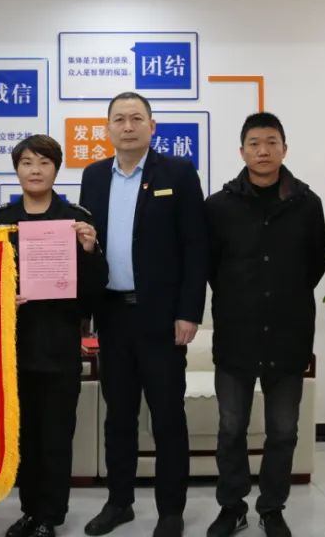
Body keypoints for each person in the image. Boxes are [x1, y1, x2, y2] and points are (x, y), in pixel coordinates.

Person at [78, 91, 209, 537]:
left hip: (162, 318)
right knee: (119, 417)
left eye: (137, 118)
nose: (128, 126)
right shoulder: (95, 176)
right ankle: (120, 503)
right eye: (119, 119)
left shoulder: (177, 173)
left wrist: (189, 312)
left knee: (168, 417)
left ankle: (171, 510)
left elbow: (195, 246)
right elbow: (90, 246)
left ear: (152, 127)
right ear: (108, 128)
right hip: (113, 316)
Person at [204, 112, 325, 537]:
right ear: (241, 151)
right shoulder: (218, 206)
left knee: (283, 430)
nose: (263, 150)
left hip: (289, 335)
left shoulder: (307, 203)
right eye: (254, 143)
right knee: (231, 428)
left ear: (284, 149)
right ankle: (232, 507)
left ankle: (272, 507)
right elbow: (211, 266)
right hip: (236, 335)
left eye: (271, 142)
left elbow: (316, 262)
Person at [0, 135, 108, 537]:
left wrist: (88, 251)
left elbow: (94, 292)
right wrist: (4, 297)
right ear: (16, 170)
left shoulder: (75, 219)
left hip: (59, 346)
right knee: (24, 439)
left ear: (56, 169)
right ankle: (29, 511)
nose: (35, 171)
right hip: (13, 348)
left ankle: (50, 517)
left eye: (43, 163)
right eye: (26, 163)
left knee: (55, 438)